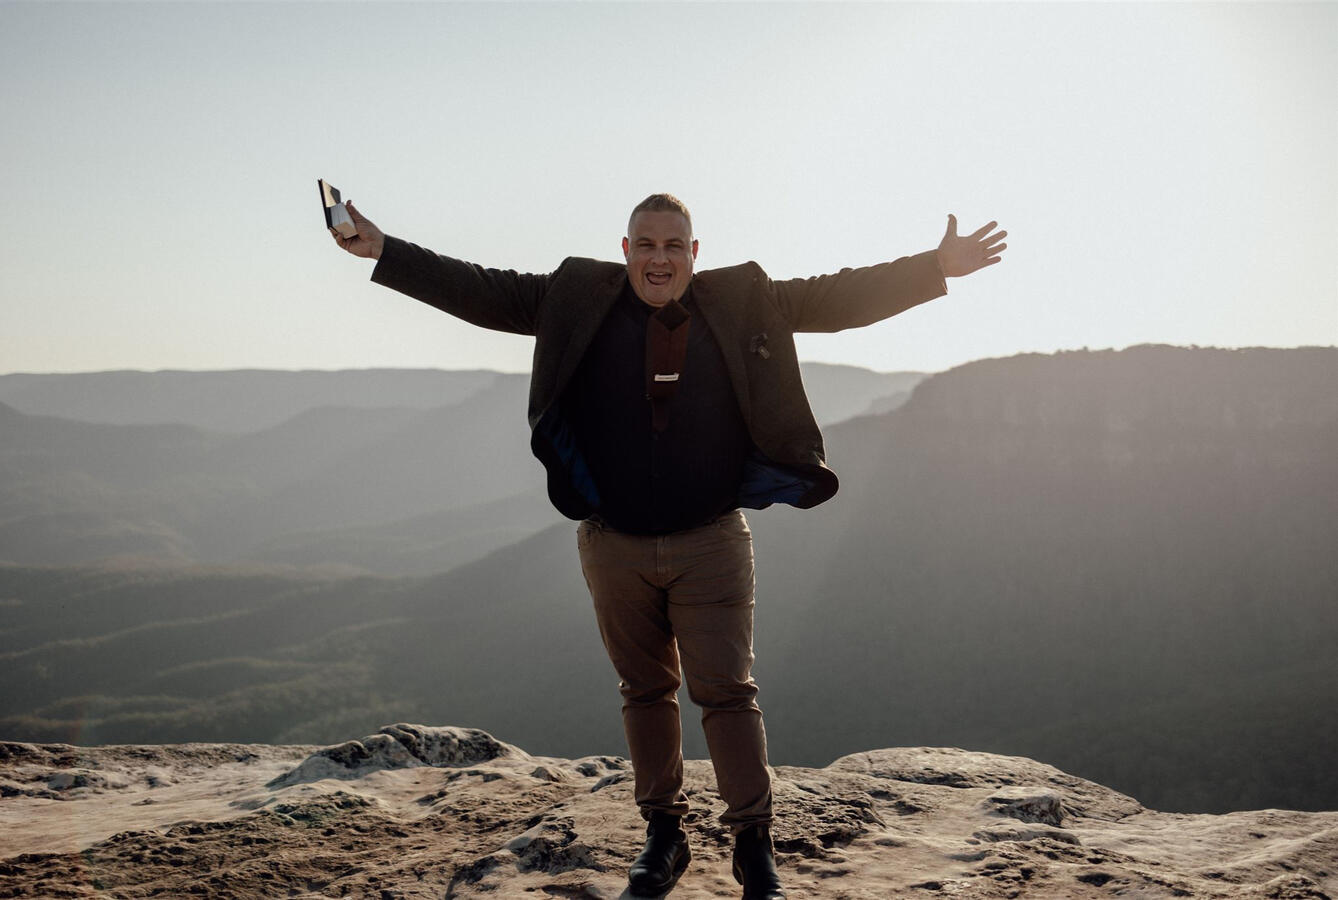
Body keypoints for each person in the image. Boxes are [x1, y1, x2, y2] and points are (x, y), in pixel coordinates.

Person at [332, 194, 1005, 899]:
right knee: (645, 691)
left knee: (727, 695)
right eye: (645, 245)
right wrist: (384, 249)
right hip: (612, 542)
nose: (659, 258)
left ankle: (754, 849)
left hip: (711, 539)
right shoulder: (574, 297)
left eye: (672, 246)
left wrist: (935, 267)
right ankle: (664, 836)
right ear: (625, 251)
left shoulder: (742, 299)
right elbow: (479, 289)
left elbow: (836, 299)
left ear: (694, 253)